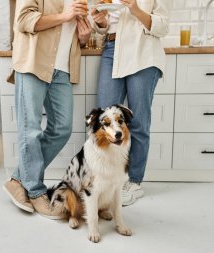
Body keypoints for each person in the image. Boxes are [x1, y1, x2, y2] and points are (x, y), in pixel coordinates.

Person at [3, 0, 92, 219]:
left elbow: (76, 35)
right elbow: (23, 20)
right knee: (30, 129)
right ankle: (34, 190)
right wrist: (65, 15)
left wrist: (84, 35)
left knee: (62, 128)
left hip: (62, 69)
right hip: (34, 62)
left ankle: (17, 180)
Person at [91, 0, 170, 205]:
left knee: (138, 122)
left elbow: (163, 26)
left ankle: (134, 181)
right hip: (111, 49)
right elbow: (106, 25)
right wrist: (100, 23)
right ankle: (106, 178)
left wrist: (135, 9)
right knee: (105, 121)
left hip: (142, 50)